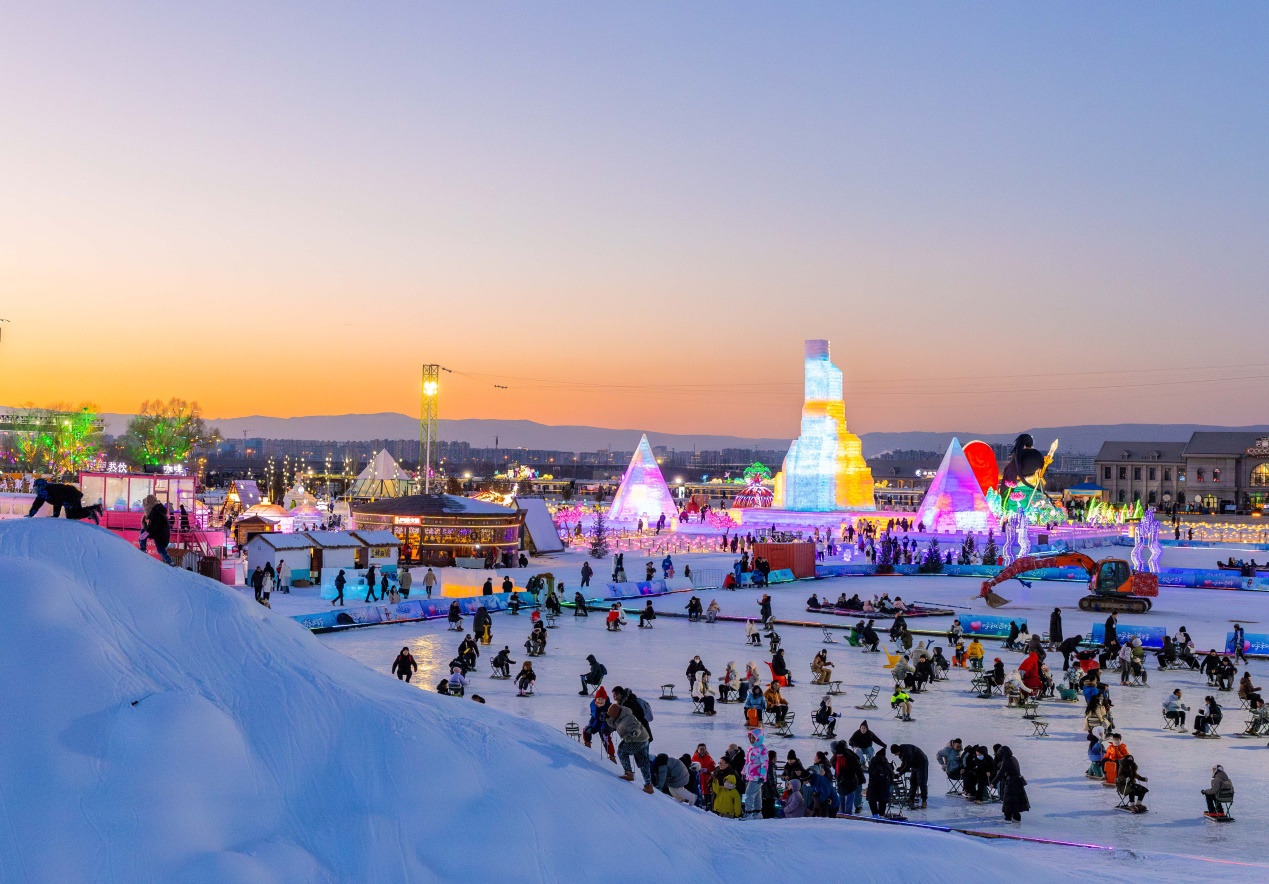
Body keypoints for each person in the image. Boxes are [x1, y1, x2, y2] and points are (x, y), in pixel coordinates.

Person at [608, 702, 654, 793]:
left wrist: (634, 732)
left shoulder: (628, 719)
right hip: (645, 739)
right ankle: (649, 785)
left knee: (621, 751)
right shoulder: (621, 715)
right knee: (643, 761)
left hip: (638, 740)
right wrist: (606, 719)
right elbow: (614, 723)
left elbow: (636, 727)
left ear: (616, 715)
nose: (611, 718)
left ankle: (628, 773)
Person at [24, 478, 102, 523]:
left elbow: (37, 504)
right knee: (78, 511)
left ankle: (90, 512)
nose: (36, 491)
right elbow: (57, 502)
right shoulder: (48, 490)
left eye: (36, 488)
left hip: (70, 497)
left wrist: (31, 514)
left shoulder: (44, 492)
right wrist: (55, 515)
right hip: (74, 494)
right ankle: (94, 508)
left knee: (71, 516)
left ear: (40, 487)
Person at [994, 746, 1029, 823]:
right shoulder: (1014, 758)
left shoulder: (1006, 761)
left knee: (1008, 800)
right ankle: (1016, 817)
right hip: (1018, 782)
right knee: (1015, 801)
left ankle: (1008, 818)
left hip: (1011, 783)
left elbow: (1000, 773)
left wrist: (993, 783)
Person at [583, 687, 617, 762]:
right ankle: (587, 747)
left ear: (605, 699)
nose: (600, 701)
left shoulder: (610, 707)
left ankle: (612, 757)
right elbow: (593, 714)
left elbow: (614, 719)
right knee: (586, 730)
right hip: (595, 723)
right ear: (596, 699)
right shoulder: (592, 704)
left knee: (606, 738)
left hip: (604, 725)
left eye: (602, 699)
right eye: (599, 699)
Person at [891, 743, 929, 808]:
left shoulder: (906, 752)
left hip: (922, 763)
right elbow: (904, 761)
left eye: (895, 753)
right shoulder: (902, 750)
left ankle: (924, 801)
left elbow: (907, 765)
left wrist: (899, 774)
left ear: (898, 751)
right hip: (914, 765)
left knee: (921, 782)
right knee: (913, 781)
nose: (895, 755)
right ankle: (911, 799)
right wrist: (901, 768)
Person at [742, 728, 768, 817]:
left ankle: (748, 812)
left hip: (757, 776)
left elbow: (765, 764)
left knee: (749, 793)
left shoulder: (762, 749)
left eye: (753, 738)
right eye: (750, 738)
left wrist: (762, 776)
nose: (751, 740)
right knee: (756, 794)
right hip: (751, 775)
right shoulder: (750, 748)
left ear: (758, 738)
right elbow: (747, 762)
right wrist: (743, 772)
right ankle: (757, 812)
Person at [866, 748, 892, 818]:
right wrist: (890, 783)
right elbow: (891, 774)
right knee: (882, 800)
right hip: (884, 784)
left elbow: (870, 772)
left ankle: (875, 814)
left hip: (873, 784)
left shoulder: (872, 762)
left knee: (872, 799)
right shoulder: (886, 763)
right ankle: (881, 814)